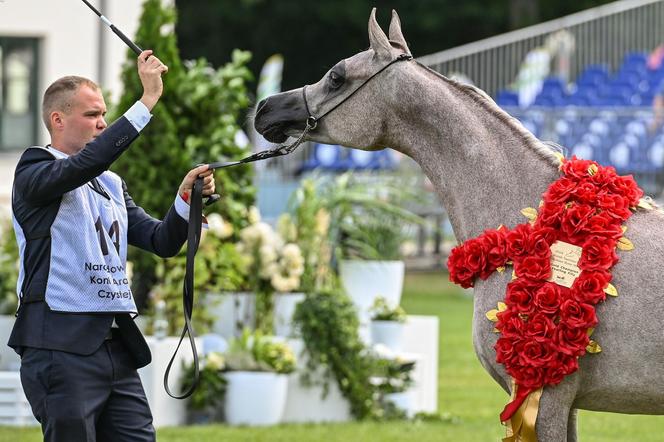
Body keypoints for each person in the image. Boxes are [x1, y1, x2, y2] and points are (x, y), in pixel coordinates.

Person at [9, 49, 216, 441]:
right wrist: (146, 102)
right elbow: (87, 163)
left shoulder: (112, 185)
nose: (102, 123)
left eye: (104, 114)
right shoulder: (34, 169)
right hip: (59, 347)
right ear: (58, 119)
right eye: (92, 115)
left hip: (116, 347)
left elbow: (161, 241)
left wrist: (186, 200)